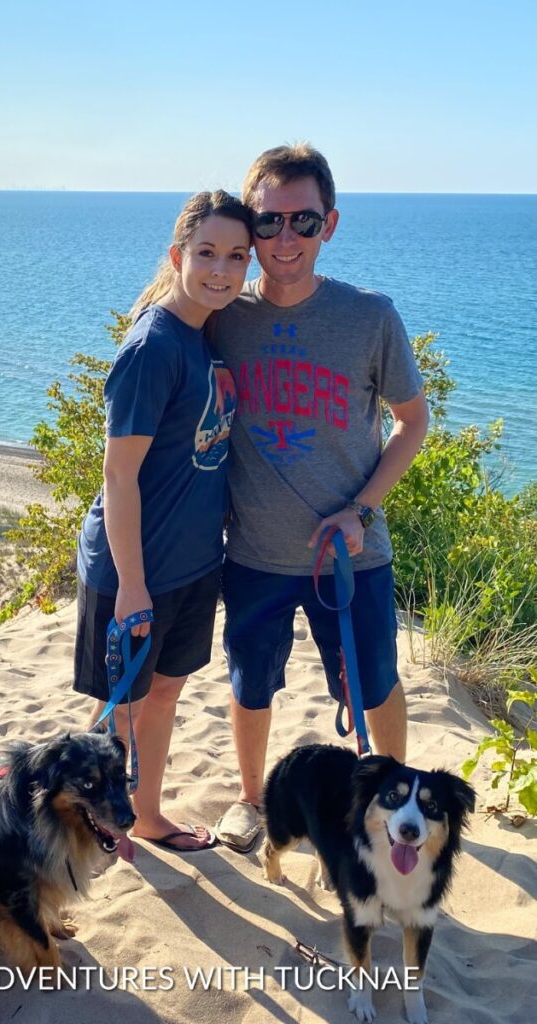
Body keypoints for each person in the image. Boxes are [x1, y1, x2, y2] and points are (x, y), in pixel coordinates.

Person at [211, 144, 430, 852]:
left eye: (301, 221)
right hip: (253, 553)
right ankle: (251, 801)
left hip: (352, 554)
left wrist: (359, 509)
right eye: (267, 221)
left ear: (328, 225)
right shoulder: (223, 316)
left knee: (370, 685)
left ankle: (392, 799)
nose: (282, 239)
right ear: (249, 225)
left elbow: (412, 420)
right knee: (250, 685)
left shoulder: (369, 317)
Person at [74, 190, 251, 851]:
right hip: (135, 570)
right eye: (205, 253)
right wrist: (131, 584)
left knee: (164, 696)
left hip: (193, 564)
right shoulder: (153, 346)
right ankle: (85, 831)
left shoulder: (205, 333)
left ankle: (144, 816)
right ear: (178, 256)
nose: (221, 269)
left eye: (236, 256)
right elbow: (117, 476)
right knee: (117, 711)